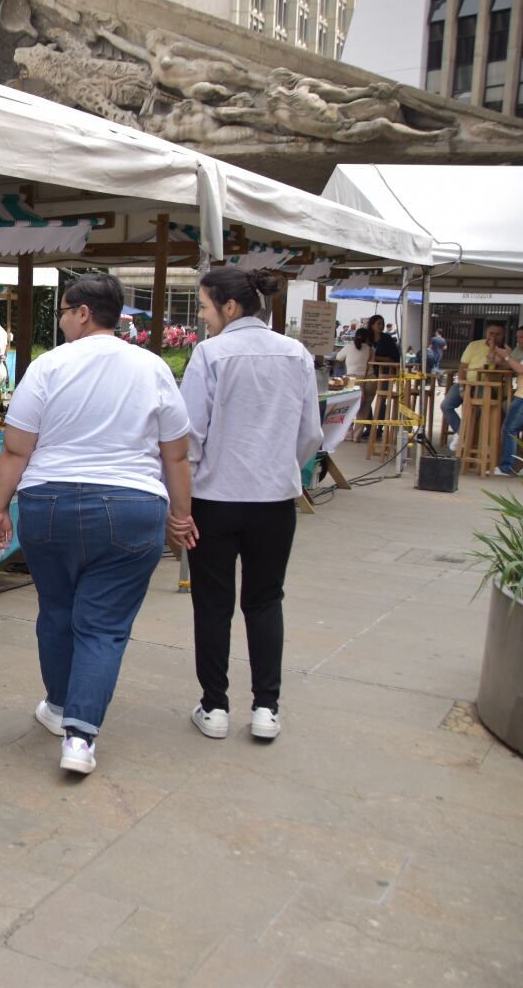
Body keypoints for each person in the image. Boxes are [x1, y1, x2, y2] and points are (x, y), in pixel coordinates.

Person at [0, 274, 194, 777]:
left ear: (83, 312)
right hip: (132, 505)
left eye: (62, 310)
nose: (59, 320)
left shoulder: (49, 365)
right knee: (102, 626)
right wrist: (182, 515)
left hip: (49, 501)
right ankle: (80, 737)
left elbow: (17, 447)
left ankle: (58, 707)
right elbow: (177, 453)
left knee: (57, 610)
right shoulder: (152, 368)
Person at [179, 268, 324, 743]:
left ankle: (214, 706)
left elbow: (190, 436)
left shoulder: (210, 354)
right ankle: (266, 707)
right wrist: (281, 467)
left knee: (213, 604)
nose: (201, 317)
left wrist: (185, 493)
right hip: (274, 501)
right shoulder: (296, 353)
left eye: (203, 306)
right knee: (265, 601)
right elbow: (311, 435)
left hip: (215, 500)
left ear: (230, 307)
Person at [441, 320, 505, 446]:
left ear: (503, 335)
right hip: (467, 381)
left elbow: (500, 366)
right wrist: (462, 387)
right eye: (491, 333)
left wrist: (493, 348)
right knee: (446, 405)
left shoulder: (504, 351)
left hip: (485, 385)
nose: (493, 337)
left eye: (497, 334)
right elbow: (462, 367)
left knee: (478, 411)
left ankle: (473, 439)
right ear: (486, 333)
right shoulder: (474, 345)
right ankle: (462, 433)